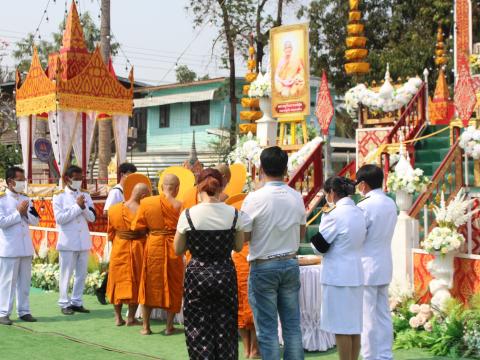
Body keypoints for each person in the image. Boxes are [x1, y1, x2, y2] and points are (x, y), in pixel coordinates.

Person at [174, 168, 250, 359]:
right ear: (221, 186)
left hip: (197, 275)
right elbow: (239, 246)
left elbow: (178, 249)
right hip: (224, 273)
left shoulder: (188, 215)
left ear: (198, 187)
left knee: (198, 326)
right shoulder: (234, 214)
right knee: (226, 325)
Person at [241, 146, 306, 360]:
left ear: (260, 168)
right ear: (285, 168)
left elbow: (244, 236)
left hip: (264, 265)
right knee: (292, 326)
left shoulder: (254, 198)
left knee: (267, 330)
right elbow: (302, 232)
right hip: (289, 262)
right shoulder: (296, 196)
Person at [311, 176, 366, 360]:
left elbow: (319, 246)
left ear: (332, 193)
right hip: (356, 274)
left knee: (341, 327)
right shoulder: (359, 212)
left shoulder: (335, 215)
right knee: (354, 327)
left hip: (338, 277)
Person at [132, 174, 184, 336]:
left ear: (161, 187)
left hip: (153, 246)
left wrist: (152, 230)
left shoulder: (147, 202)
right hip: (173, 246)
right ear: (177, 188)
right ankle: (169, 327)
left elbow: (137, 226)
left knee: (149, 284)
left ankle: (146, 327)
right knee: (174, 284)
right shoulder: (180, 205)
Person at [356, 165, 398, 360]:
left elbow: (357, 236)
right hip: (384, 263)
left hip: (366, 266)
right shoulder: (391, 203)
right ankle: (384, 355)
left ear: (363, 184)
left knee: (367, 317)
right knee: (383, 314)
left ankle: (369, 356)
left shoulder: (364, 206)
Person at [53, 165, 96, 315]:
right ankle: (64, 303)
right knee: (66, 273)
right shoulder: (59, 196)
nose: (79, 181)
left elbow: (92, 217)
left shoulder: (86, 195)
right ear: (67, 179)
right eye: (76, 179)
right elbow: (60, 219)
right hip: (67, 241)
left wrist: (83, 207)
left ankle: (77, 301)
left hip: (83, 240)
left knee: (81, 274)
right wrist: (77, 207)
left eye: (80, 179)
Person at [106, 183, 151, 326]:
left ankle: (118, 318)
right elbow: (149, 230)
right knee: (137, 281)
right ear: (143, 196)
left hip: (119, 247)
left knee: (116, 281)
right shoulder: (144, 210)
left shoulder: (113, 209)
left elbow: (110, 232)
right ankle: (131, 318)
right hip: (138, 247)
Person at [0, 167, 40, 325]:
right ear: (10, 182)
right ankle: (3, 312)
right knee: (8, 283)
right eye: (20, 180)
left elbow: (36, 220)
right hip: (9, 248)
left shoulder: (26, 198)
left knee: (24, 282)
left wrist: (24, 213)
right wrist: (18, 213)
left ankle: (24, 311)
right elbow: (2, 223)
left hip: (25, 247)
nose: (23, 183)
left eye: (24, 179)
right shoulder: (2, 200)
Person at [97, 162, 138, 305]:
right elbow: (107, 211)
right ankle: (103, 290)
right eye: (130, 175)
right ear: (123, 175)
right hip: (120, 233)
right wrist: (122, 214)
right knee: (118, 264)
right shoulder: (117, 192)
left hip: (131, 233)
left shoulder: (131, 191)